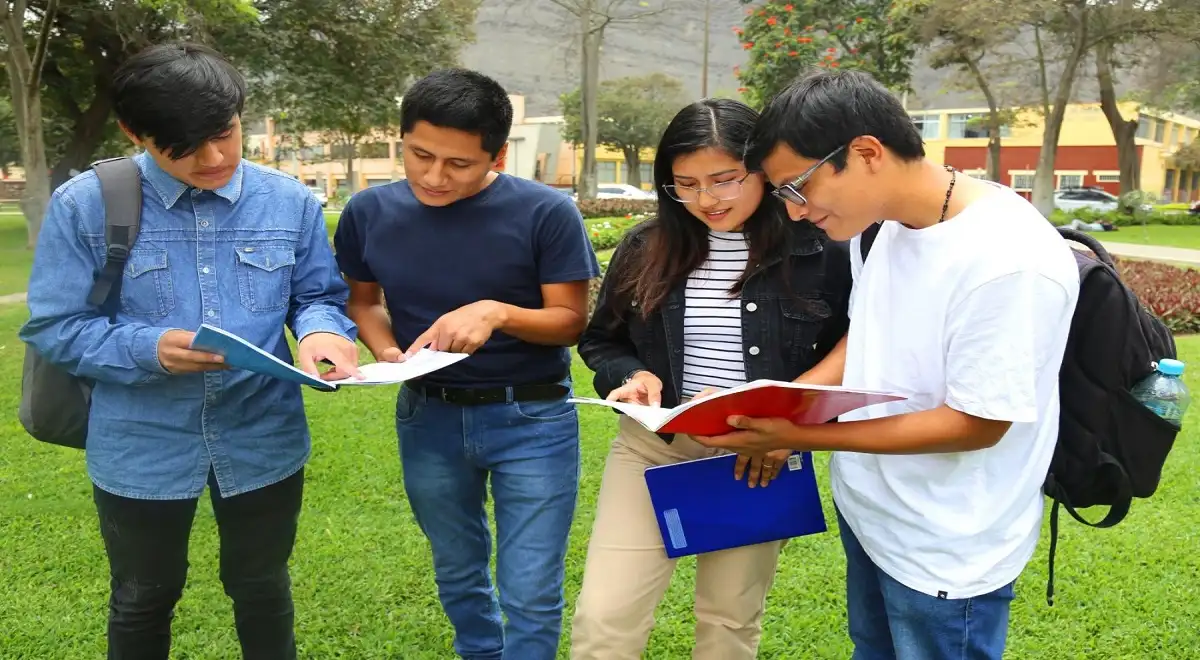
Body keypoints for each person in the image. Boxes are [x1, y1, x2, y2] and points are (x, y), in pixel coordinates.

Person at [694, 69, 1081, 659]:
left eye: (797, 187)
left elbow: (976, 424)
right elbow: (868, 335)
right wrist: (782, 402)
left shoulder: (1009, 261)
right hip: (875, 513)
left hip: (946, 544)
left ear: (866, 153)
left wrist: (799, 434)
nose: (794, 213)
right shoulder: (889, 225)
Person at [19, 42, 359, 659]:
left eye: (225, 134)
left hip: (262, 434)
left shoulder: (287, 201)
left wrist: (321, 332)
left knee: (261, 586)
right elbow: (55, 326)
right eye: (184, 146)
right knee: (143, 595)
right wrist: (148, 348)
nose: (214, 157)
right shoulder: (87, 206)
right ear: (134, 132)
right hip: (140, 442)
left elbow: (317, 296)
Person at [332, 68, 600, 660]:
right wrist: (385, 350)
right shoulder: (368, 212)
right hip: (428, 418)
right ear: (401, 138)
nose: (434, 176)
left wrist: (498, 312)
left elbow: (570, 320)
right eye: (420, 155)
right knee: (456, 571)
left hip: (531, 417)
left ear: (498, 155)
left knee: (529, 590)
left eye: (458, 164)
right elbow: (364, 299)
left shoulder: (546, 213)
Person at [569, 98, 852, 660]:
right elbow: (602, 340)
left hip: (755, 457)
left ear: (763, 171)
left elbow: (861, 342)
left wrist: (788, 425)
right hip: (654, 446)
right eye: (686, 184)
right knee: (605, 619)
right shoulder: (647, 246)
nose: (706, 199)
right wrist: (633, 375)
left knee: (728, 624)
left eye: (725, 180)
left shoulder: (820, 249)